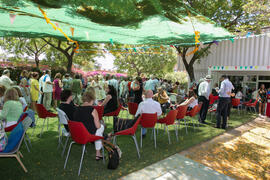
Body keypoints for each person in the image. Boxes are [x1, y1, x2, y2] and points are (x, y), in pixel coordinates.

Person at [73, 90, 104, 160]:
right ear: (92, 100)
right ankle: (98, 153)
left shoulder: (76, 109)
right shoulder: (92, 110)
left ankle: (98, 152)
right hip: (88, 134)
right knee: (100, 127)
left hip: (77, 134)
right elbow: (98, 126)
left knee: (99, 129)